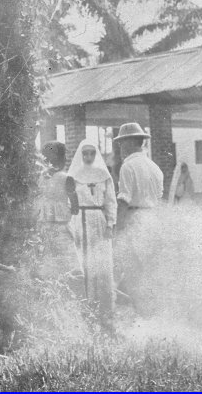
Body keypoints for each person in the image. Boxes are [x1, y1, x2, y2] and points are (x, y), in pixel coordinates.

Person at [112, 122, 163, 315]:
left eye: (123, 143)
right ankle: (150, 311)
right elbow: (159, 198)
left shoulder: (129, 166)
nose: (121, 147)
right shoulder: (154, 167)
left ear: (134, 142)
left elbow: (123, 201)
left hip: (135, 219)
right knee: (148, 269)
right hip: (152, 220)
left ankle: (143, 312)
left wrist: (117, 231)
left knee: (134, 271)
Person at [68, 139, 117, 330]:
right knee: (83, 262)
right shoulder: (73, 176)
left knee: (100, 263)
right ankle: (85, 306)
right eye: (85, 154)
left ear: (96, 155)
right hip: (80, 219)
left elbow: (111, 201)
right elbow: (69, 202)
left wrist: (110, 224)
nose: (88, 157)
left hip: (98, 219)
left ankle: (103, 308)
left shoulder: (104, 176)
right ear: (81, 155)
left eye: (91, 153)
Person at [34, 141, 80, 279]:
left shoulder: (44, 177)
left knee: (57, 265)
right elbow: (75, 207)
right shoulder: (62, 178)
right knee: (64, 265)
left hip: (48, 226)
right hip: (54, 227)